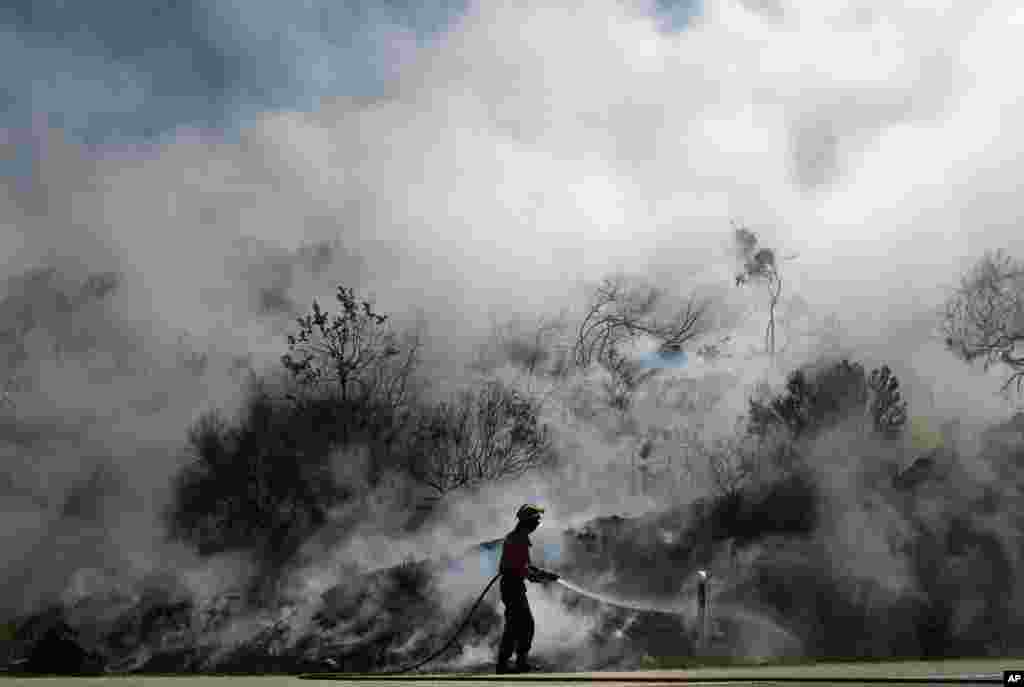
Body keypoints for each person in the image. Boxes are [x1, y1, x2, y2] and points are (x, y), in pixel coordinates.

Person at [496, 504, 554, 674]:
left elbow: (526, 566)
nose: (537, 525)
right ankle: (504, 663)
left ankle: (519, 662)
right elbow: (522, 569)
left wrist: (544, 573)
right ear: (527, 522)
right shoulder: (517, 539)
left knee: (522, 624)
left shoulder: (519, 537)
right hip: (512, 586)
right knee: (517, 624)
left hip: (514, 586)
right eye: (535, 521)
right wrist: (541, 578)